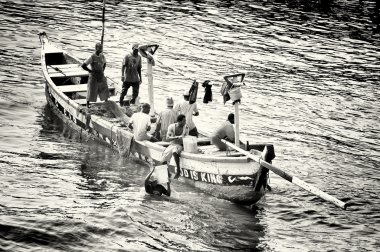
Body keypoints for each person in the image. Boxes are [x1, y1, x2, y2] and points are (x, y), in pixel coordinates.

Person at [81, 42, 109, 108]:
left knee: (104, 88)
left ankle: (106, 102)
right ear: (96, 48)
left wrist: (103, 69)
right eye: (99, 48)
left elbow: (105, 63)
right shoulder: (92, 57)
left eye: (101, 48)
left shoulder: (102, 56)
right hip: (93, 76)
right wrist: (90, 71)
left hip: (101, 75)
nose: (101, 49)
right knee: (91, 89)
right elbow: (83, 65)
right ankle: (87, 103)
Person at [161, 114, 189, 179]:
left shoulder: (186, 128)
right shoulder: (171, 127)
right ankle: (168, 174)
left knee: (175, 151)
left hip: (180, 145)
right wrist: (177, 137)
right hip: (172, 144)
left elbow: (186, 139)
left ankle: (178, 170)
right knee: (163, 159)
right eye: (184, 121)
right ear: (179, 121)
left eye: (185, 121)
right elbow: (167, 138)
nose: (185, 122)